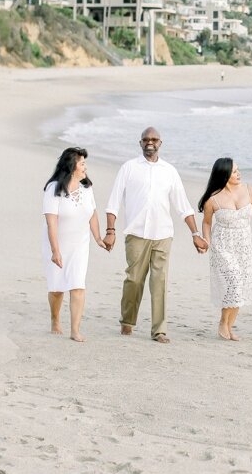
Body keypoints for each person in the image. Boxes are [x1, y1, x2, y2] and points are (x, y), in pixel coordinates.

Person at [103, 127, 208, 343]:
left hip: (163, 235)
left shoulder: (169, 171)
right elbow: (113, 203)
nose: (149, 142)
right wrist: (110, 231)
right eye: (145, 139)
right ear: (140, 143)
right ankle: (127, 320)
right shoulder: (129, 168)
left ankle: (159, 330)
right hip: (136, 234)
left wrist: (195, 233)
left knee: (159, 281)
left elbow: (183, 206)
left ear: (161, 143)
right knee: (134, 279)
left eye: (154, 139)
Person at [196, 157, 252, 341]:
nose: (239, 173)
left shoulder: (249, 190)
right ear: (224, 174)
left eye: (238, 170)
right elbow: (207, 223)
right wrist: (207, 243)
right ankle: (222, 323)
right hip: (222, 246)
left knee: (240, 287)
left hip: (244, 246)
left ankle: (229, 326)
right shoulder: (213, 199)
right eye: (234, 171)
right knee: (233, 283)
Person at [41, 147, 107, 342]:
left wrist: (98, 238)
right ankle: (55, 320)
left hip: (80, 245)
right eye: (82, 163)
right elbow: (51, 222)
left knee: (78, 284)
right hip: (56, 244)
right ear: (71, 166)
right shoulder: (53, 189)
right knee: (56, 288)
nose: (85, 167)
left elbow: (93, 214)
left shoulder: (87, 188)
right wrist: (55, 251)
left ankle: (75, 330)